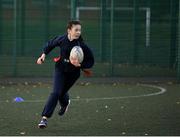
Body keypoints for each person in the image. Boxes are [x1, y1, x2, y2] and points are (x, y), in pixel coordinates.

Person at [36, 20, 94, 129]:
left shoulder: (81, 45)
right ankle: (44, 118)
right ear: (69, 31)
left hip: (73, 74)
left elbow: (91, 61)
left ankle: (65, 103)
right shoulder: (62, 39)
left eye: (79, 30)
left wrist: (80, 64)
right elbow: (50, 44)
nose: (78, 32)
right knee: (55, 93)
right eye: (76, 30)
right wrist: (43, 54)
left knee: (61, 93)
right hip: (60, 70)